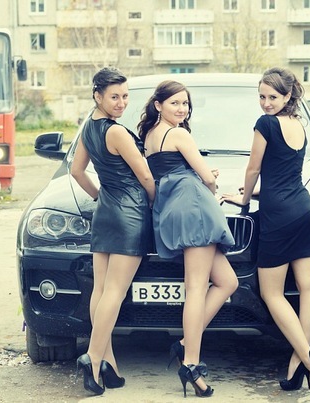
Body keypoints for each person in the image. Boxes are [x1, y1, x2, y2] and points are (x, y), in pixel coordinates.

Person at [221, 67, 310, 391]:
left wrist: (244, 198)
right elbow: (284, 173)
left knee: (272, 293)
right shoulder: (298, 124)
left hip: (279, 216)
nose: (266, 103)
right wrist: (259, 191)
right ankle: (298, 366)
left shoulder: (266, 124)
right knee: (309, 288)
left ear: (287, 96)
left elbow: (253, 168)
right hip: (303, 210)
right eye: (261, 97)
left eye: (272, 97)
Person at [137, 80, 238, 398]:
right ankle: (191, 362)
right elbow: (206, 177)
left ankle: (184, 343)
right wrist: (211, 190)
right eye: (175, 103)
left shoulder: (149, 136)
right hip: (193, 206)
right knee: (196, 287)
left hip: (172, 206)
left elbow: (166, 173)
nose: (182, 109)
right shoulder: (178, 134)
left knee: (227, 282)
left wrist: (196, 176)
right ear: (159, 105)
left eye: (185, 104)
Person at [70, 67, 155, 396]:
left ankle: (109, 364)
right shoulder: (116, 132)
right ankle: (93, 358)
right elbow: (145, 176)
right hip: (130, 213)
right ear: (98, 96)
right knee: (115, 292)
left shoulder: (89, 128)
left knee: (102, 290)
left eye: (125, 96)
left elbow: (77, 171)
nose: (121, 103)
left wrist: (99, 196)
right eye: (114, 97)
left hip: (106, 211)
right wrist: (153, 203)